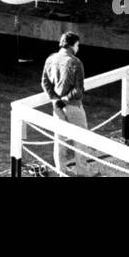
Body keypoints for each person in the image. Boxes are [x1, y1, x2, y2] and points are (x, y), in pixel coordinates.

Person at [41, 32, 90, 176]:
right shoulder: (75, 62)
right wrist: (65, 100)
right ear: (73, 45)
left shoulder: (50, 59)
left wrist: (55, 99)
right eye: (78, 45)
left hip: (57, 107)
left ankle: (61, 171)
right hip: (73, 106)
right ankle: (82, 172)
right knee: (81, 140)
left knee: (59, 140)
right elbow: (78, 90)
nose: (78, 47)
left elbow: (45, 82)